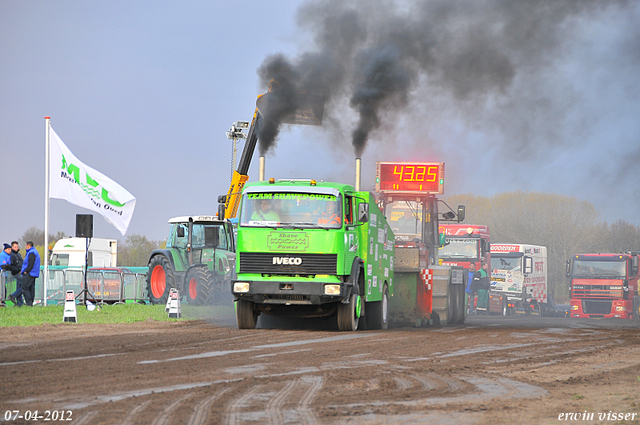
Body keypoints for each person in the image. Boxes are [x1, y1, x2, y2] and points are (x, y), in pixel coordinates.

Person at [20, 241, 40, 307]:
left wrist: (26, 270)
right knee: (31, 289)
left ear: (28, 246)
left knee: (24, 288)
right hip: (34, 273)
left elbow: (30, 263)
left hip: (30, 273)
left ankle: (29, 303)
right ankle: (30, 303)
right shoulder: (35, 252)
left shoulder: (31, 253)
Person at [8, 241, 24, 306]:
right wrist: (18, 270)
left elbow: (22, 263)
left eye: (17, 247)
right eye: (15, 247)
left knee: (19, 287)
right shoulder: (12, 255)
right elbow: (12, 265)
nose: (16, 248)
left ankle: (20, 303)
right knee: (25, 285)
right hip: (16, 273)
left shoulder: (19, 254)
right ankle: (13, 295)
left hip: (20, 272)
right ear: (12, 247)